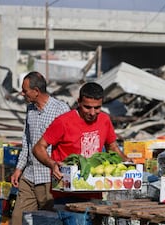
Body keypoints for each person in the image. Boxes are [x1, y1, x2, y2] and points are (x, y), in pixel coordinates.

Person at [32, 82, 130, 224]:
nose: (92, 112)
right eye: (87, 107)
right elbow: (38, 147)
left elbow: (113, 147)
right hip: (67, 194)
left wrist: (127, 162)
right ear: (79, 102)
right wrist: (52, 164)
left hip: (95, 191)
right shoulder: (63, 122)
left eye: (97, 108)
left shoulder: (105, 120)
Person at [10, 71, 70, 225]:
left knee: (49, 221)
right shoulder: (30, 109)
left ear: (36, 91)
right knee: (17, 219)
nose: (22, 94)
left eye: (25, 91)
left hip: (49, 179)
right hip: (29, 176)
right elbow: (27, 140)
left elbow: (68, 143)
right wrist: (19, 168)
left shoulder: (60, 109)